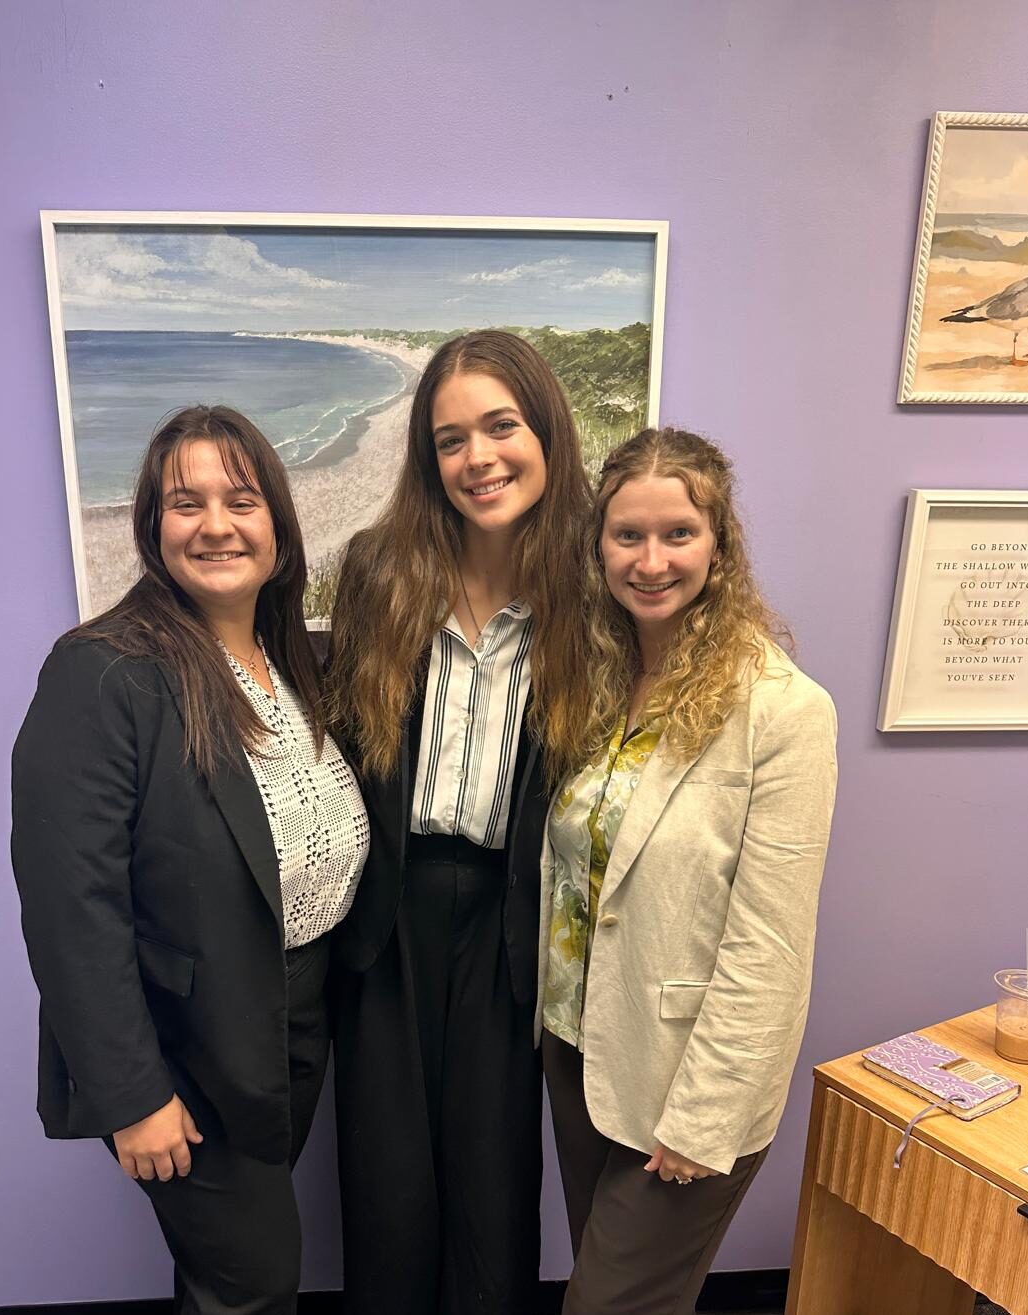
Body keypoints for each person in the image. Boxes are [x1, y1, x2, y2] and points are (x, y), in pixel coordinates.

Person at [11, 405, 369, 1315]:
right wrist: (133, 1096)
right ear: (152, 524)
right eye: (187, 502)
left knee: (225, 1278)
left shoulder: (292, 658)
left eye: (241, 500)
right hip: (187, 1049)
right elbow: (71, 906)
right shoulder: (102, 672)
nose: (216, 524)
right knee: (256, 1284)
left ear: (278, 526)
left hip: (288, 1021)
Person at [325, 330, 597, 1315]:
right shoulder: (378, 571)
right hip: (389, 914)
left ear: (546, 431)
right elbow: (347, 745)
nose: (478, 457)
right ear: (427, 458)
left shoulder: (591, 588)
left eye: (500, 426)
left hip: (509, 920)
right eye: (450, 439)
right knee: (386, 1191)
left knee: (494, 1192)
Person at [538, 427, 838, 1315]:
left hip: (685, 1082)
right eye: (628, 535)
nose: (651, 560)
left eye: (678, 533)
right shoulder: (600, 681)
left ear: (720, 544)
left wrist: (706, 1118)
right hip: (582, 1054)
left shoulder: (783, 711)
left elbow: (771, 947)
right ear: (598, 546)